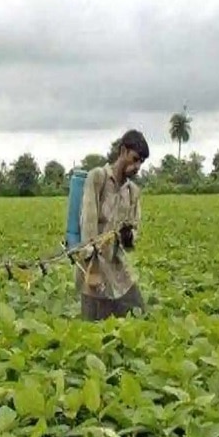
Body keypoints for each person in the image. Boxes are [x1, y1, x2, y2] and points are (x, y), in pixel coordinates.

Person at [75, 129, 149, 321]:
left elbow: (133, 235)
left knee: (138, 315)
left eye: (141, 161)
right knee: (94, 330)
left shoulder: (133, 192)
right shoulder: (97, 178)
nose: (137, 166)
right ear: (123, 151)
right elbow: (88, 224)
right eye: (135, 159)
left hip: (118, 270)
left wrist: (129, 236)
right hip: (93, 270)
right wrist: (92, 266)